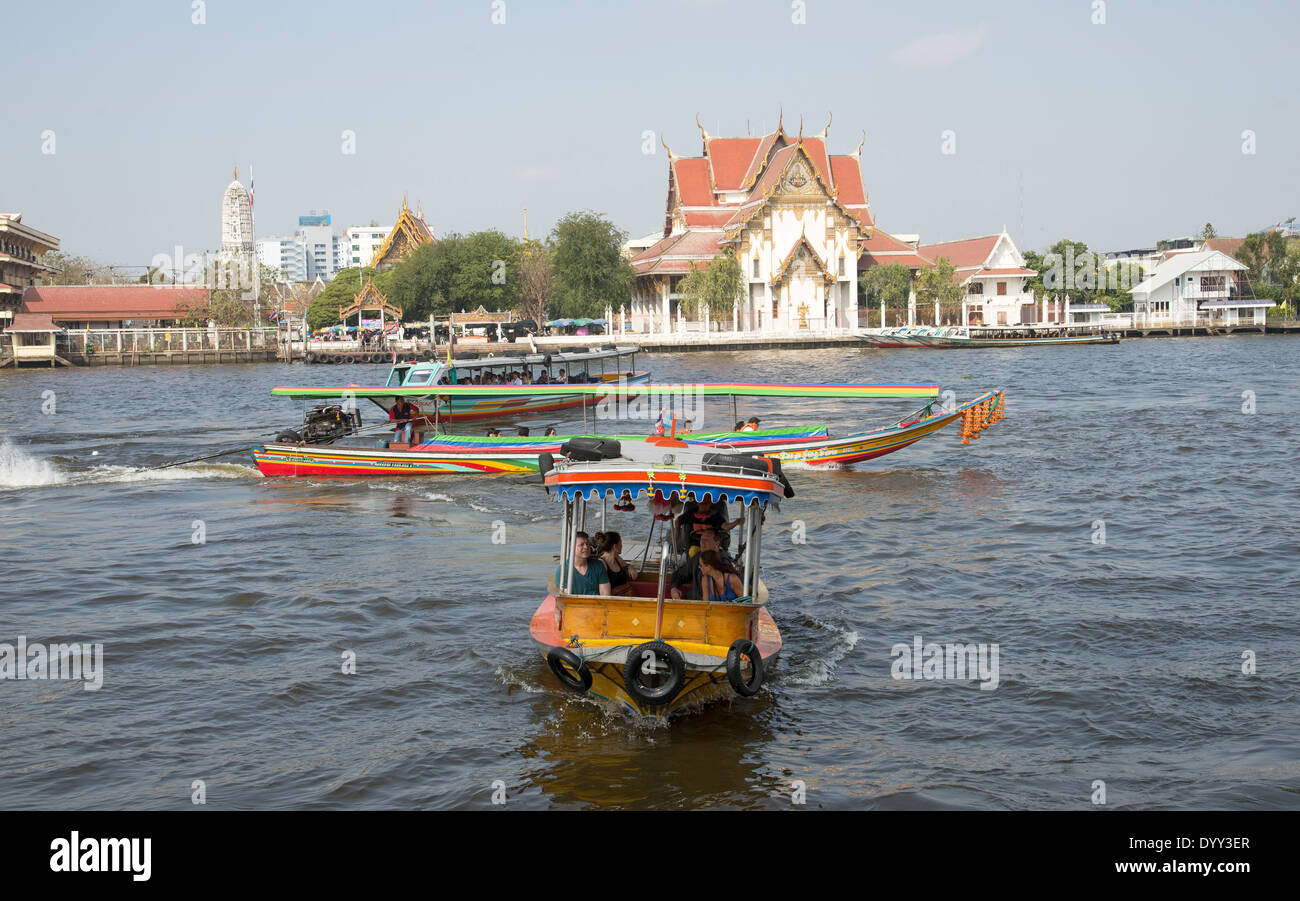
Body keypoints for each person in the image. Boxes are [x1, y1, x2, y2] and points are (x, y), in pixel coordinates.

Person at [669, 528, 734, 600]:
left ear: (717, 543)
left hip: (716, 606)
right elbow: (680, 574)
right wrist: (673, 588)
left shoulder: (724, 561)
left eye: (706, 540)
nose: (702, 542)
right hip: (696, 603)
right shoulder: (697, 558)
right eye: (701, 539)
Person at [551, 531, 610, 596]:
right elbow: (565, 599)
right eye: (581, 545)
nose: (586, 547)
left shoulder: (598, 565)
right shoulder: (563, 571)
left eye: (587, 544)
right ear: (571, 547)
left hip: (597, 604)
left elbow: (605, 595)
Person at [595, 531, 637, 596]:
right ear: (615, 546)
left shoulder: (617, 559)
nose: (622, 546)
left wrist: (629, 567)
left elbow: (628, 567)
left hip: (626, 597)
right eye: (620, 543)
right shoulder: (602, 563)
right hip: (613, 601)